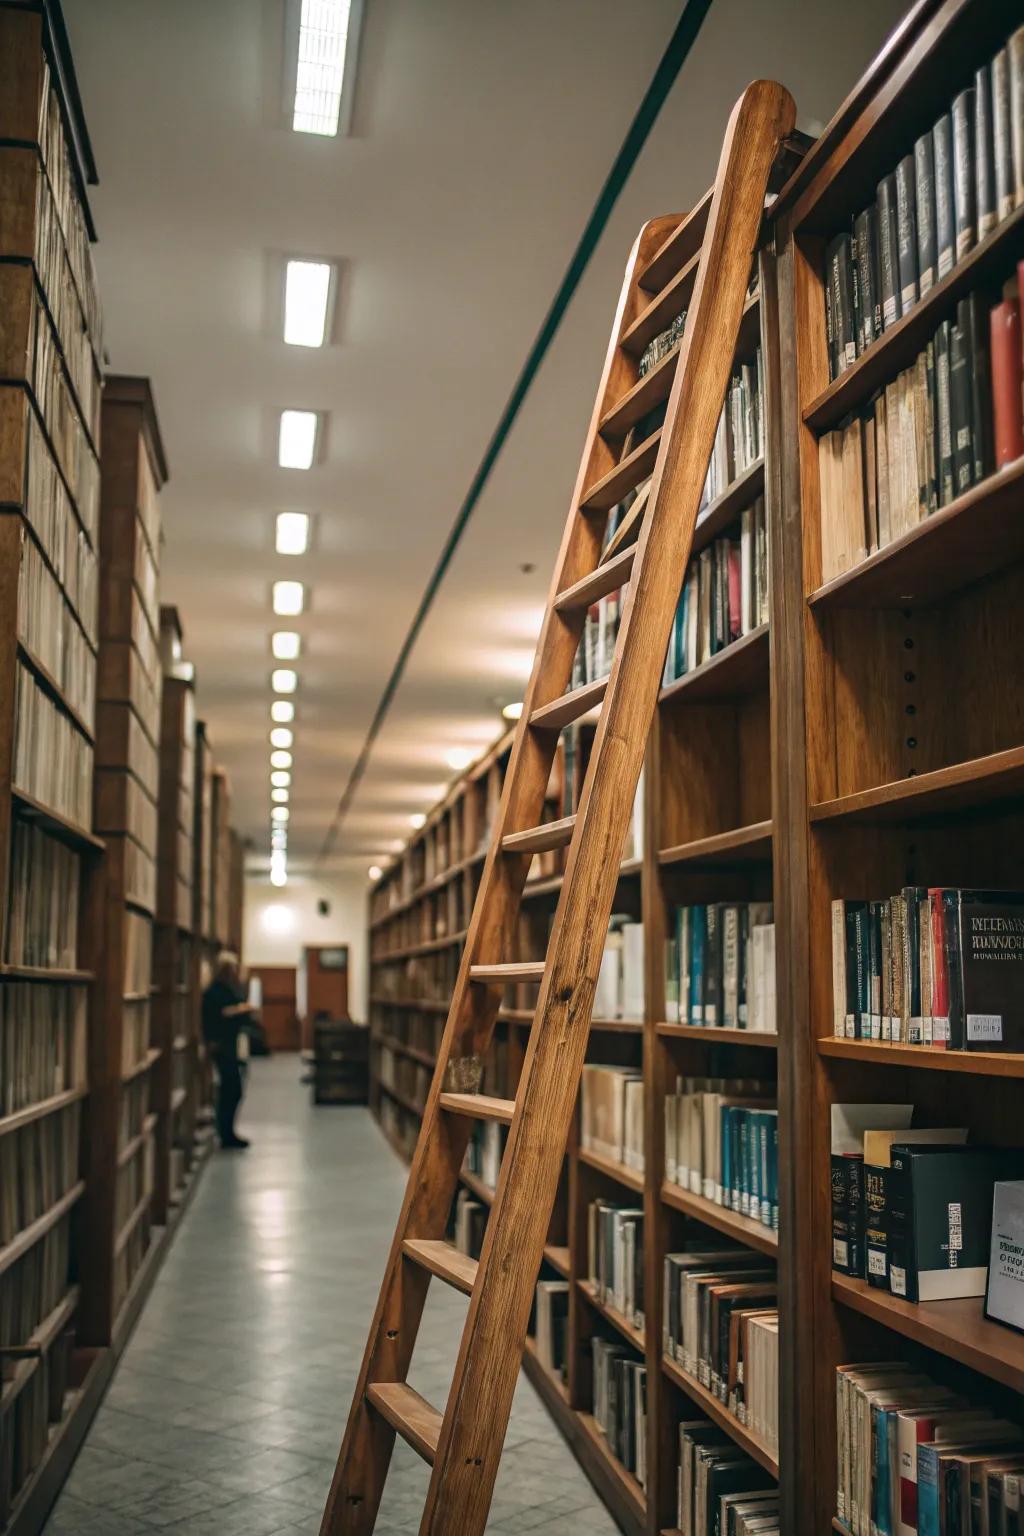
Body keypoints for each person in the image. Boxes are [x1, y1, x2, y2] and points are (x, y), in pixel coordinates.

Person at [202, 951, 254, 1149]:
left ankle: (227, 1131)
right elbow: (217, 1015)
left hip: (230, 1044)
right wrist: (238, 1010)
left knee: (233, 1090)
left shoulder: (228, 988)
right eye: (231, 969)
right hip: (221, 1046)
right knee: (230, 1090)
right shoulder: (214, 991)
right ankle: (225, 1133)